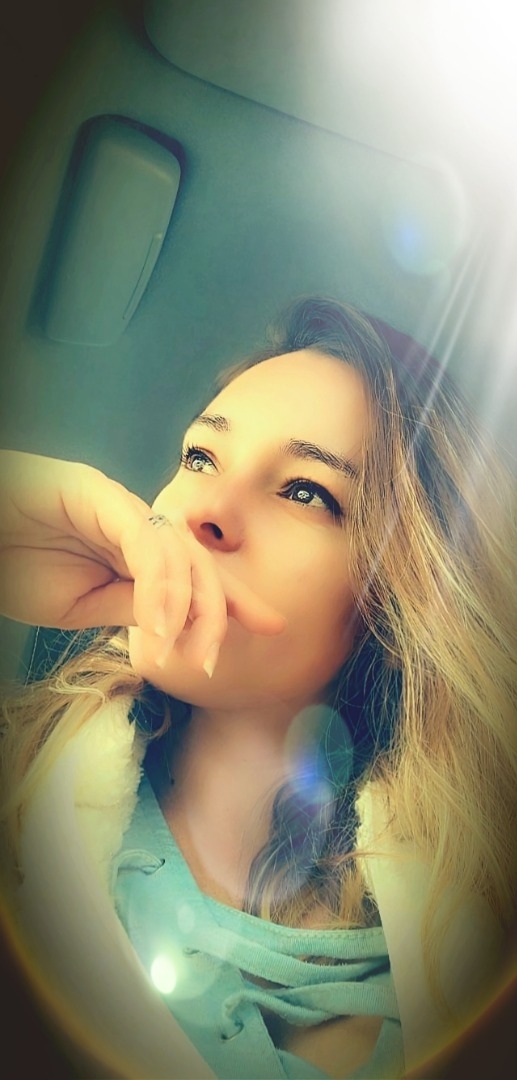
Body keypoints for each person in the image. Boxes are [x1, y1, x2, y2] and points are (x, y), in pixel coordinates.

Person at [0, 297, 515, 1079]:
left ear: (395, 596)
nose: (203, 512)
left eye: (304, 491)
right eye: (200, 458)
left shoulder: (480, 935)